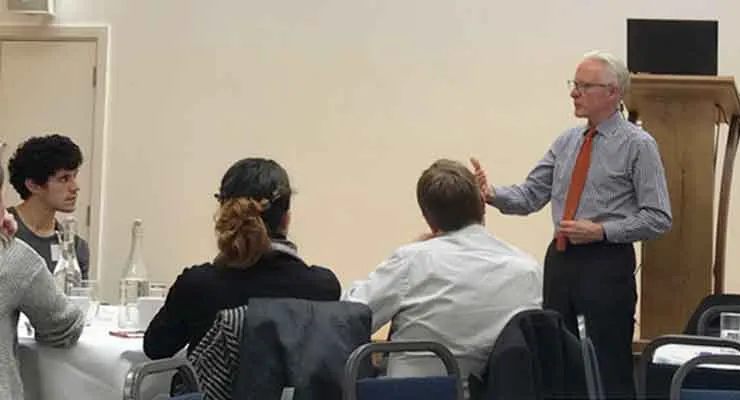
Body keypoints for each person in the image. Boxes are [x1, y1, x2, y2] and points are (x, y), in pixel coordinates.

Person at [471, 51, 673, 398]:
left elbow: (659, 217)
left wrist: (602, 231)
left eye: (584, 86)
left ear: (612, 92)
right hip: (561, 261)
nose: (573, 93)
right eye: (574, 84)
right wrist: (491, 194)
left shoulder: (638, 145)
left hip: (606, 263)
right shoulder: (566, 142)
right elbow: (531, 195)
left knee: (607, 364)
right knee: (556, 361)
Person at [343, 159, 543, 380]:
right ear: (483, 204)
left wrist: (413, 250)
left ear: (428, 220)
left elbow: (347, 318)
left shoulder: (412, 262)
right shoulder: (529, 270)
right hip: (504, 391)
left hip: (415, 392)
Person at [143, 157, 341, 360]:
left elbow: (156, 348)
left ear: (225, 216)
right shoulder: (323, 288)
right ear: (286, 219)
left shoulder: (197, 286)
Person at [0, 164, 84, 400]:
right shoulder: (14, 257)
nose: (75, 187)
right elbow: (64, 326)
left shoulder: (77, 245)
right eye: (64, 178)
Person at [7, 134, 90, 279]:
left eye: (74, 176)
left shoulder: (74, 247)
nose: (75, 187)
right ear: (33, 185)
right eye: (64, 179)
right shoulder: (4, 231)